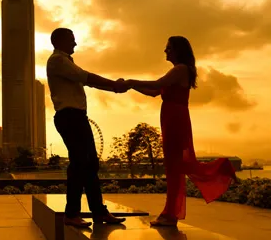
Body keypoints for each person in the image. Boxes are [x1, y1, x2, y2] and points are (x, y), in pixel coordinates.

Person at [123, 36, 238, 227]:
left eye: (168, 48)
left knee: (176, 167)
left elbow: (156, 84)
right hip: (171, 117)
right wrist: (131, 85)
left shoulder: (180, 69)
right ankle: (171, 213)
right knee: (176, 166)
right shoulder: (178, 71)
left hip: (175, 118)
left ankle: (171, 213)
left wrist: (129, 81)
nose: (165, 51)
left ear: (178, 50)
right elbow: (154, 92)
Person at [46, 28, 127, 228]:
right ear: (61, 41)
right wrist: (114, 86)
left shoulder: (64, 61)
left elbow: (86, 80)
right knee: (80, 163)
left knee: (90, 164)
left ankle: (98, 211)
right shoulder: (57, 61)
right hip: (70, 117)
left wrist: (112, 87)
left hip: (77, 117)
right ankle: (71, 213)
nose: (76, 44)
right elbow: (87, 77)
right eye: (72, 40)